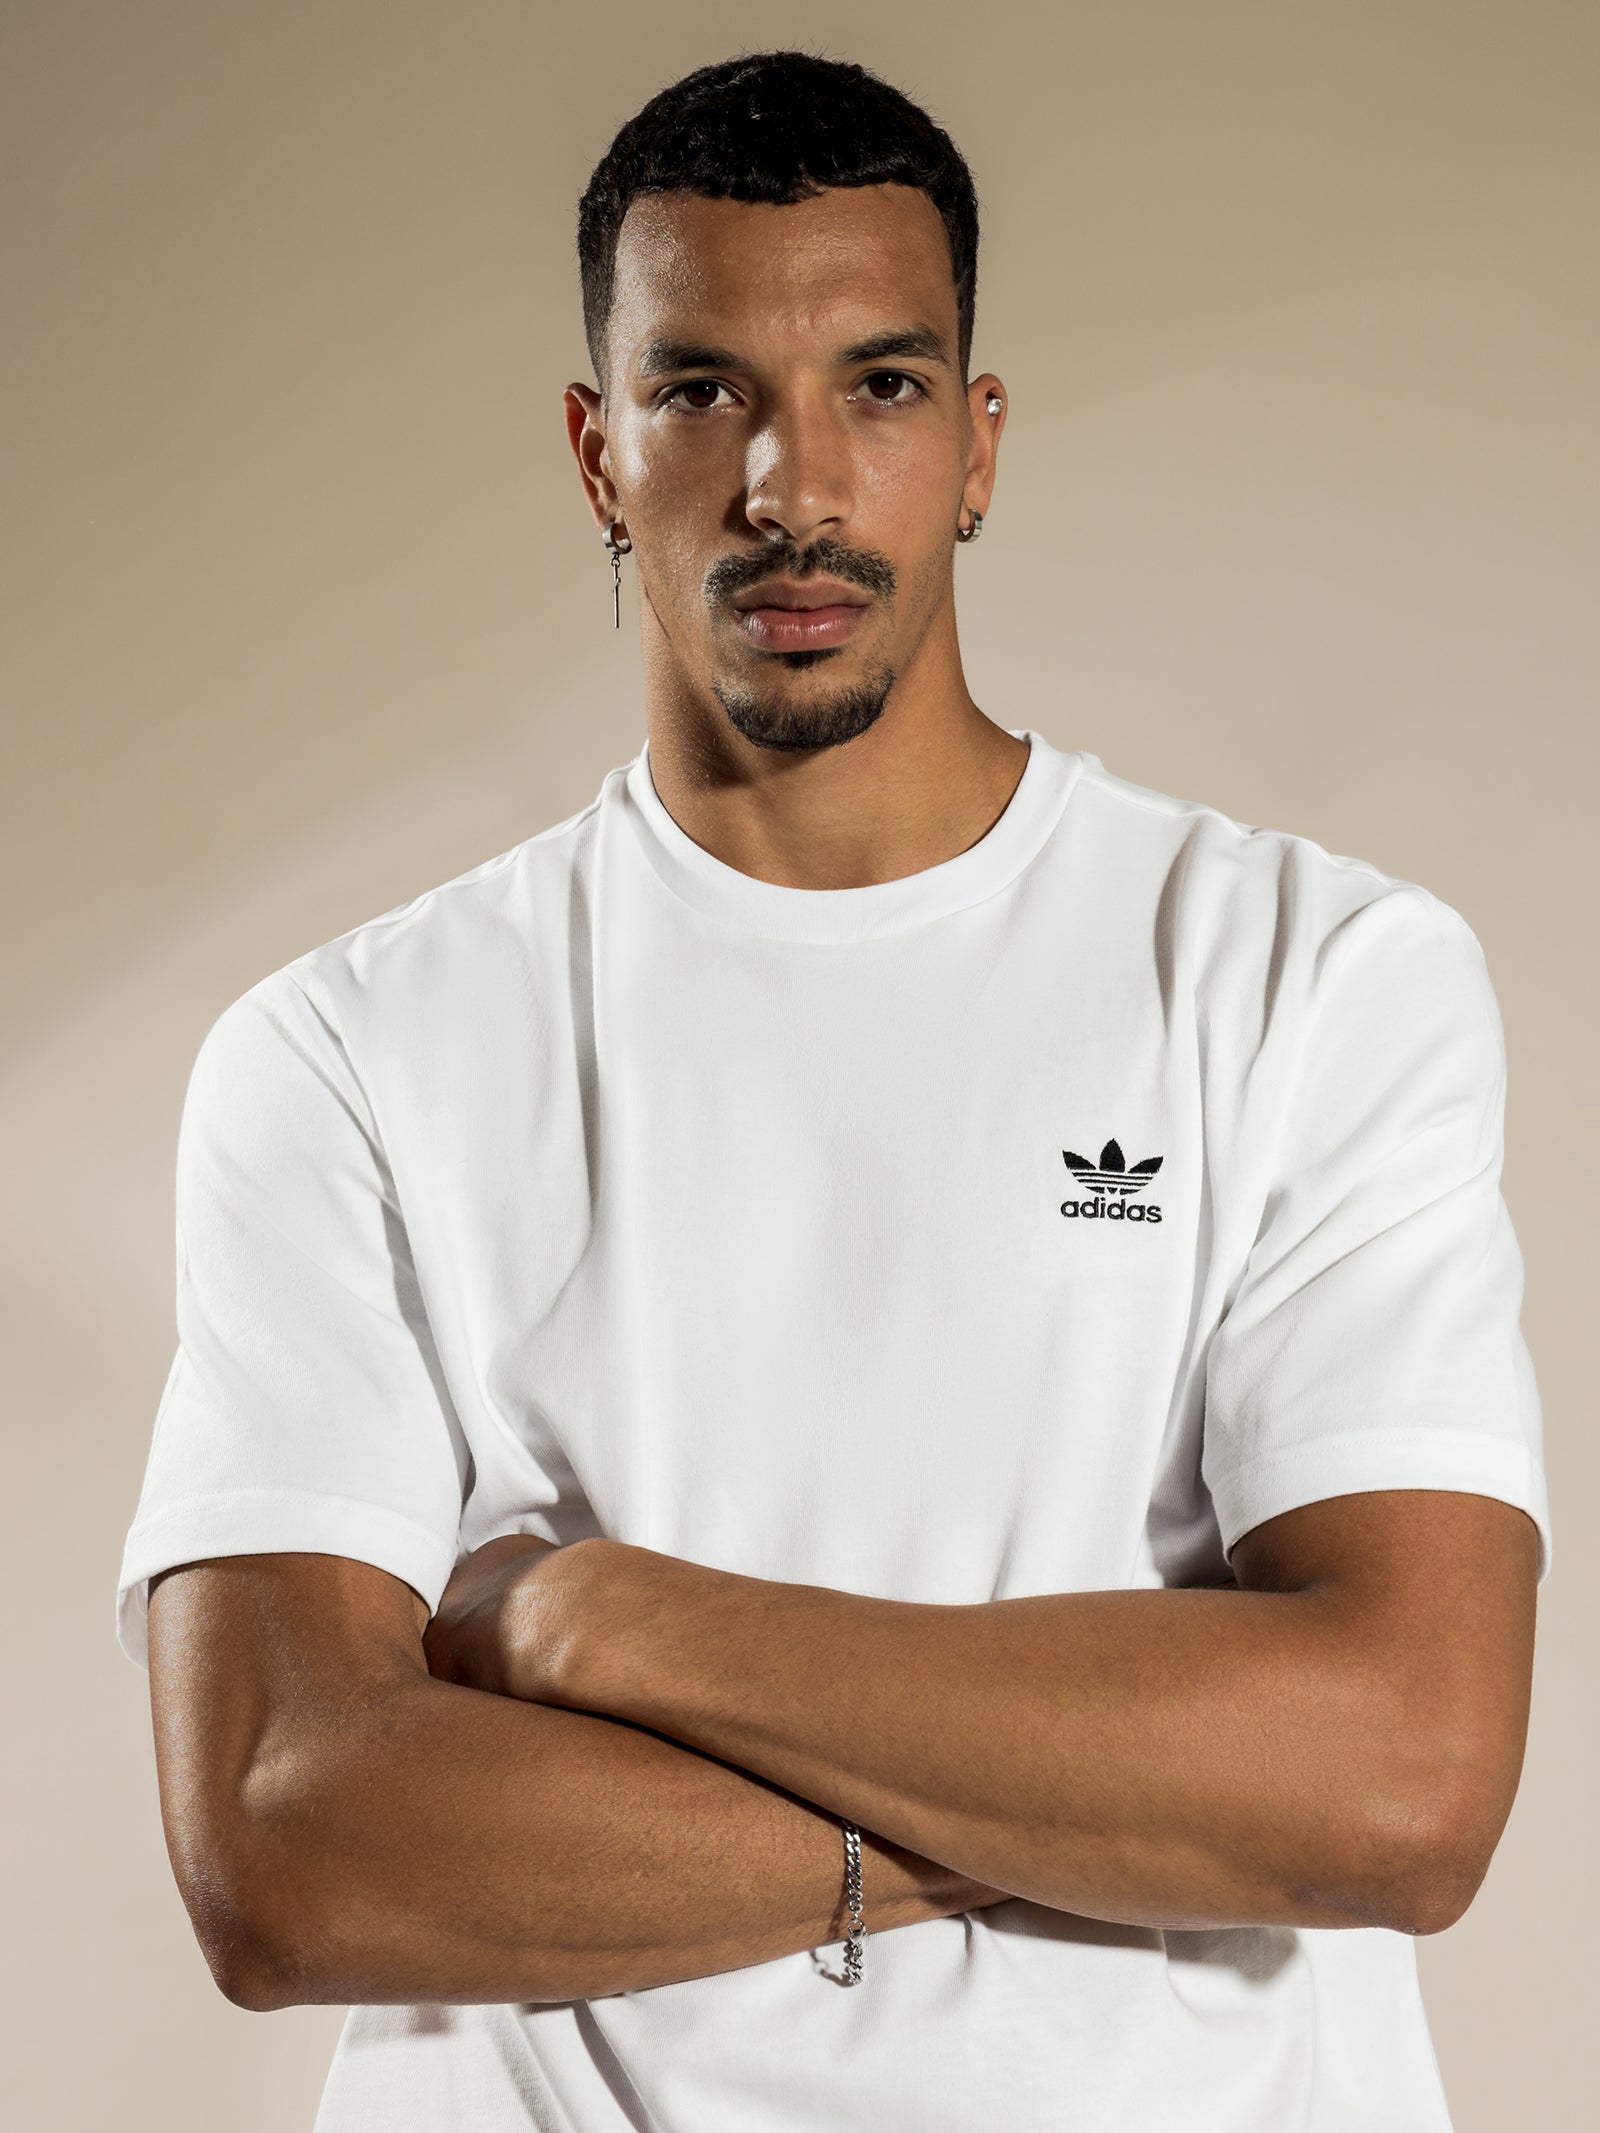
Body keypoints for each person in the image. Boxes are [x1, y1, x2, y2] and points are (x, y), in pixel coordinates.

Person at [118, 50, 1551, 2133]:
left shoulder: (1305, 973)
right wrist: (1109, 1808)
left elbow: (1398, 1778)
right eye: (703, 391)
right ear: (598, 452)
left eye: (879, 385)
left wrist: (605, 1617)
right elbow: (285, 1845)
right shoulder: (348, 1052)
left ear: (977, 445)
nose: (793, 485)